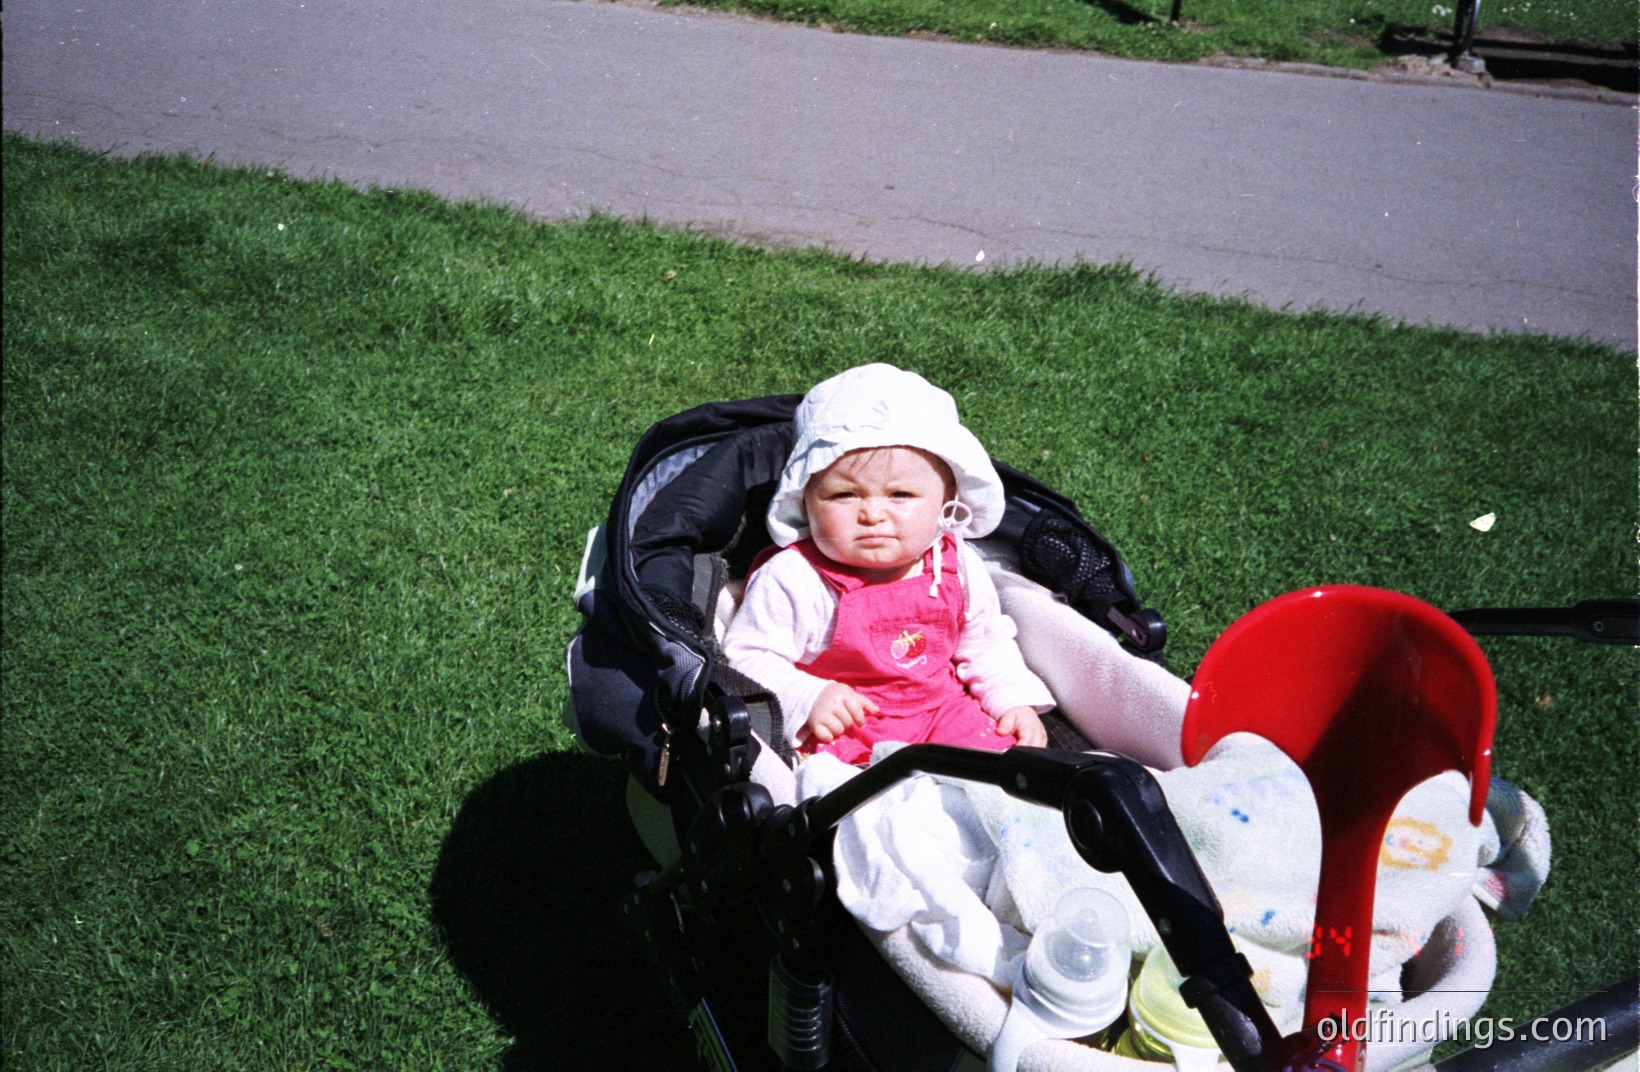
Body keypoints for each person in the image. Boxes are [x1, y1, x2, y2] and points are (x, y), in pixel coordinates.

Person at [724, 364, 1053, 765]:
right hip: (846, 725)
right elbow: (747, 655)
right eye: (845, 495)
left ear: (946, 500)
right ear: (805, 501)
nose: (873, 514)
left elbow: (985, 644)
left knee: (1004, 773)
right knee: (848, 797)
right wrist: (807, 695)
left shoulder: (955, 564)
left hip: (941, 712)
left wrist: (1013, 700)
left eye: (900, 494)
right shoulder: (794, 577)